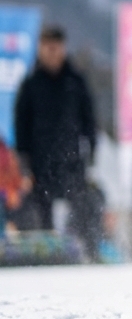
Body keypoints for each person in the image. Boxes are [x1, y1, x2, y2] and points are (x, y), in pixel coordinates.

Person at [13, 25, 96, 232]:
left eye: (55, 47)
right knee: (41, 213)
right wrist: (23, 162)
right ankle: (47, 255)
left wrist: (92, 151)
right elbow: (21, 124)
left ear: (63, 48)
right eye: (47, 47)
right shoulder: (31, 84)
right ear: (40, 48)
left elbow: (89, 120)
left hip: (72, 159)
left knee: (80, 209)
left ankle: (82, 252)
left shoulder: (76, 81)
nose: (52, 52)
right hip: (40, 161)